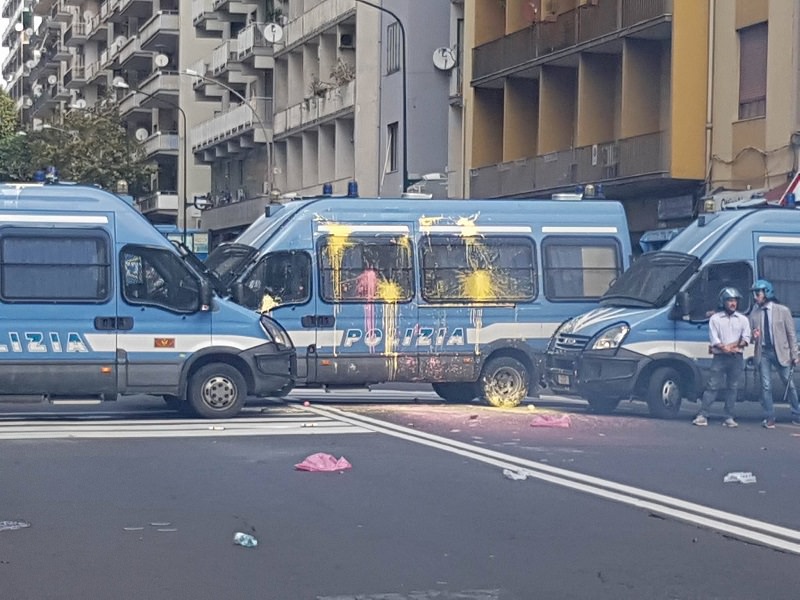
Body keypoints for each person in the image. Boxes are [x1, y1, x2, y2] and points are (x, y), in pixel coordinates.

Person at [693, 287, 751, 427]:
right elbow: (714, 339)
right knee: (712, 386)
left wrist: (733, 346)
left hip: (736, 357)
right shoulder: (715, 319)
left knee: (733, 387)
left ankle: (729, 416)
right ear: (723, 302)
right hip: (720, 357)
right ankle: (703, 414)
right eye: (730, 300)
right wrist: (724, 348)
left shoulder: (743, 319)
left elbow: (746, 338)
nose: (733, 303)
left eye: (735, 301)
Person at [749, 279, 800, 428]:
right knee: (766, 386)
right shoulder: (754, 312)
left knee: (789, 384)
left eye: (757, 293)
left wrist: (795, 355)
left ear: (766, 293)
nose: (755, 297)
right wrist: (754, 336)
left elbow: (791, 334)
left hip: (781, 352)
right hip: (763, 352)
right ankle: (769, 416)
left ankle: (796, 413)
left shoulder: (782, 311)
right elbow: (752, 336)